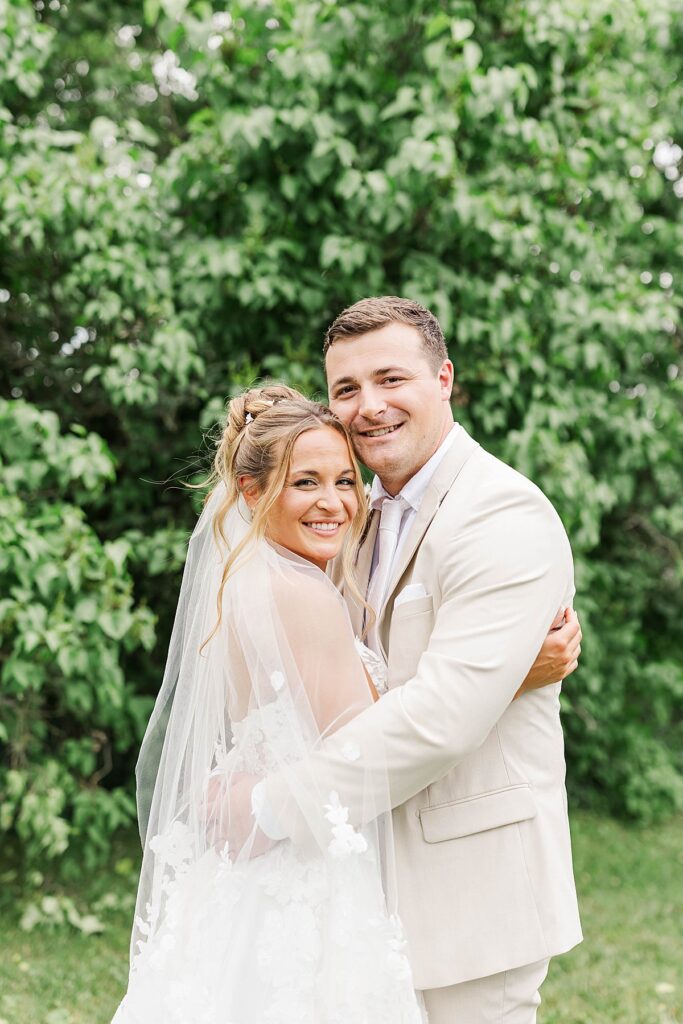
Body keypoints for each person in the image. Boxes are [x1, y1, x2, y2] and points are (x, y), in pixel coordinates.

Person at [113, 381, 575, 1023]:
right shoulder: (301, 596)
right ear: (252, 492)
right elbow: (372, 746)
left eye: (345, 481)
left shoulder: (257, 579)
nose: (333, 502)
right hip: (305, 880)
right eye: (306, 483)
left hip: (254, 880)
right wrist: (509, 676)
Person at [251, 297, 583, 1024]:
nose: (368, 406)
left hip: (470, 897)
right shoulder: (349, 513)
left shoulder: (501, 514)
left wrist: (274, 806)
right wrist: (510, 676)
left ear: (443, 379)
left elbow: (441, 719)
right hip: (363, 879)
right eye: (345, 389)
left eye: (389, 379)